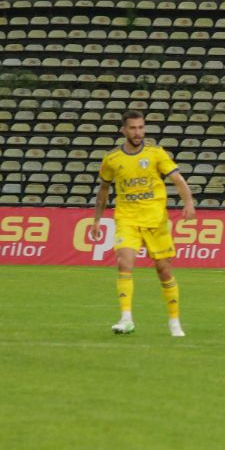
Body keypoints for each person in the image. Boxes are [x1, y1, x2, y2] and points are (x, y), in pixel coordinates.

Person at [90, 111, 196, 337]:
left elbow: (177, 179)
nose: (137, 132)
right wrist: (97, 219)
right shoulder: (112, 159)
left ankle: (174, 321)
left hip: (155, 220)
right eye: (133, 128)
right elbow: (104, 189)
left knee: (164, 270)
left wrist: (188, 203)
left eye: (141, 127)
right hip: (127, 218)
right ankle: (126, 318)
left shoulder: (156, 153)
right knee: (124, 263)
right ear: (123, 130)